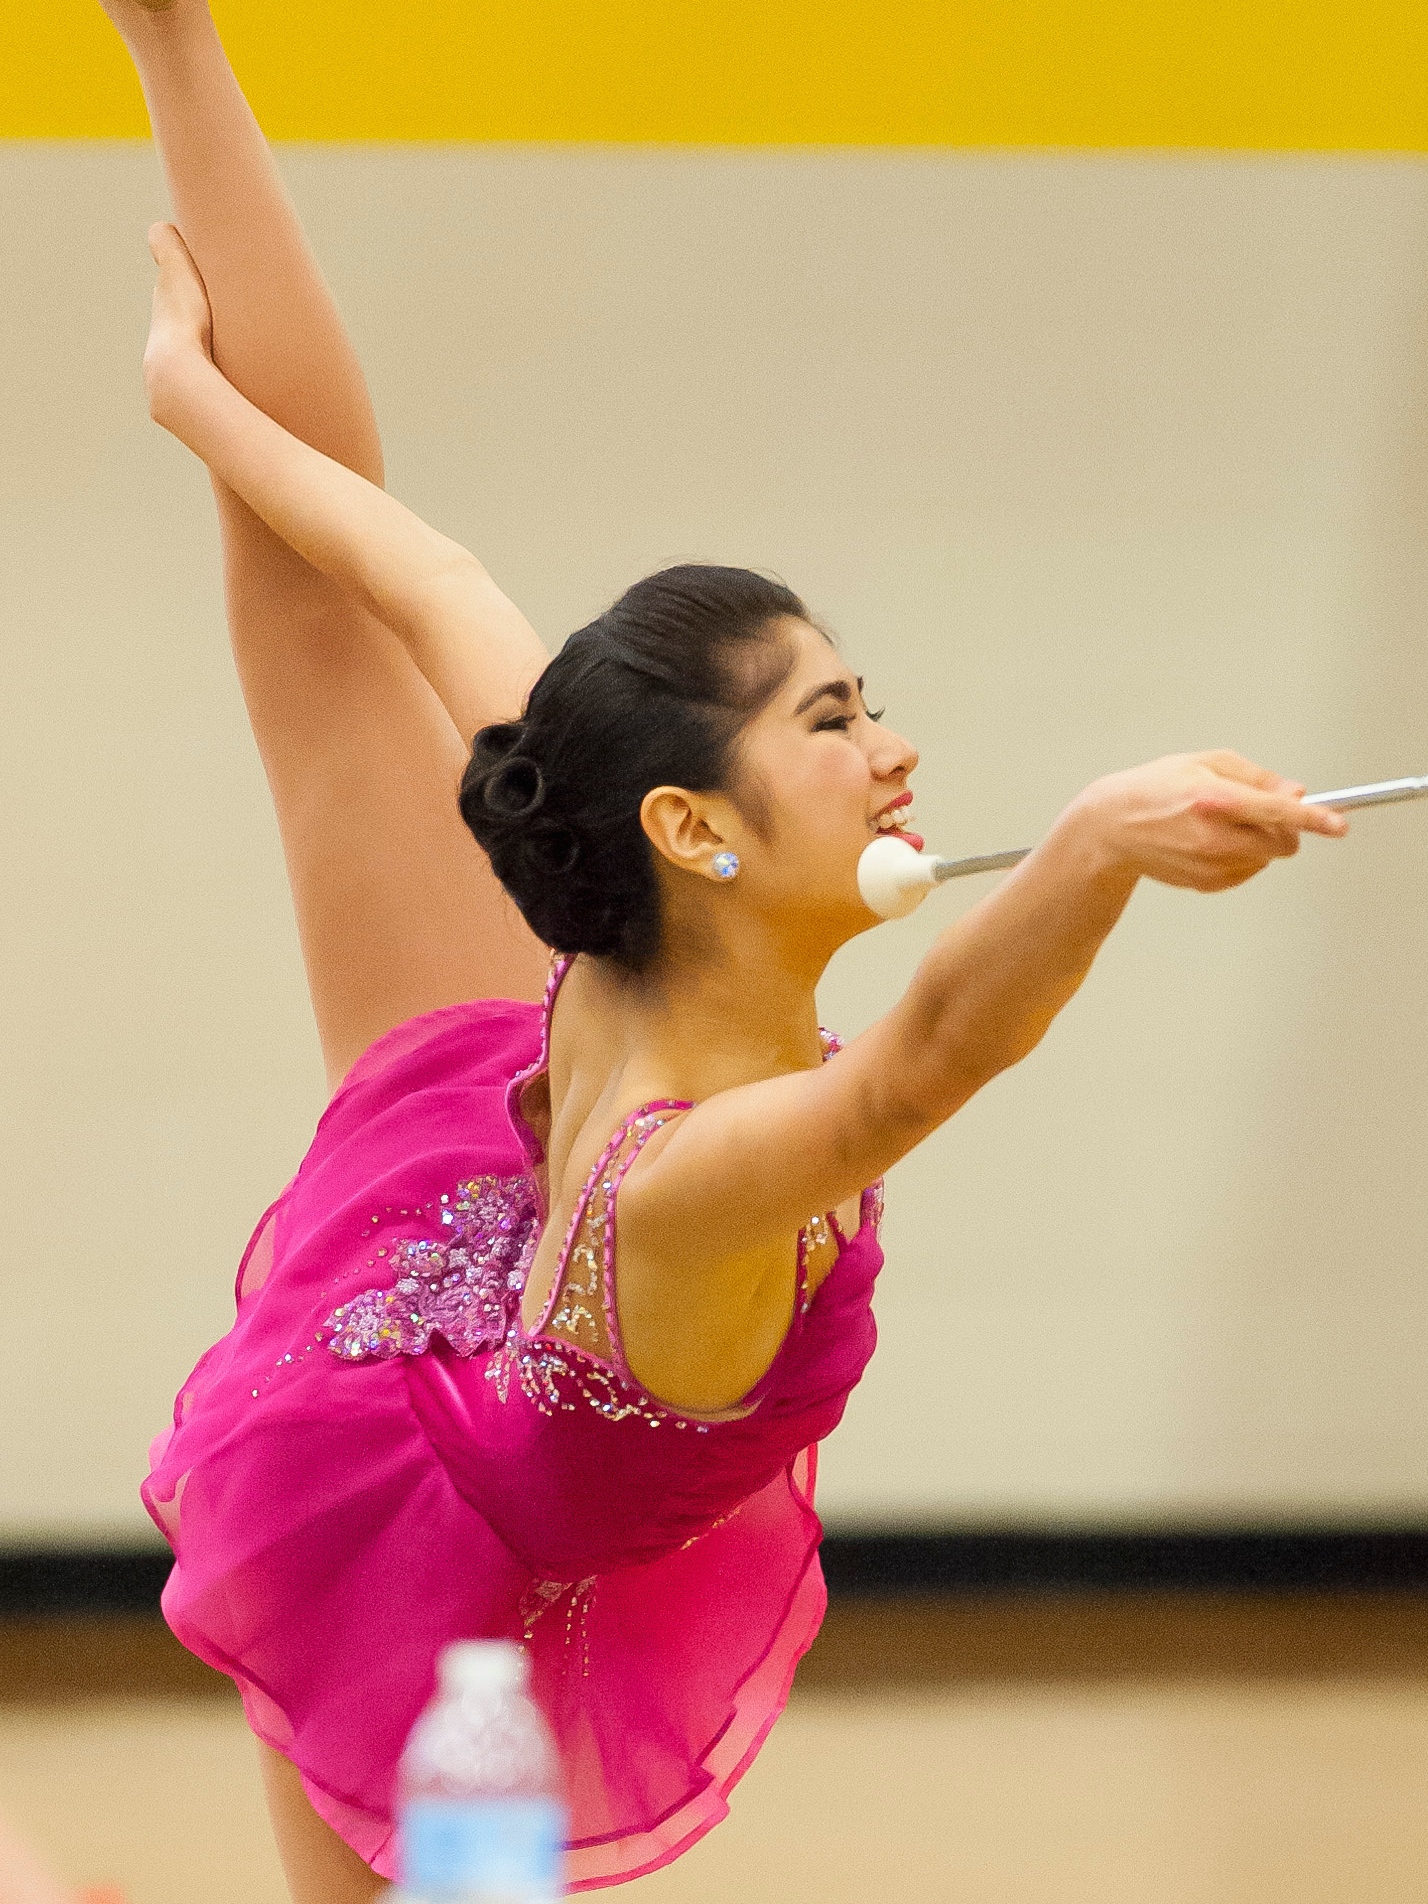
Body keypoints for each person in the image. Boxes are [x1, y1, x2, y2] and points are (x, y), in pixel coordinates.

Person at [97, 3, 1347, 1897]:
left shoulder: (610, 891)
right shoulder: (687, 1186)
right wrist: (1095, 842)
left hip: (446, 1248)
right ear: (692, 828)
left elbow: (410, 568)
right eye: (837, 720)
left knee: (313, 593)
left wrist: (201, 405)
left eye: (864, 706)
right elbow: (921, 1065)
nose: (896, 747)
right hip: (425, 1541)